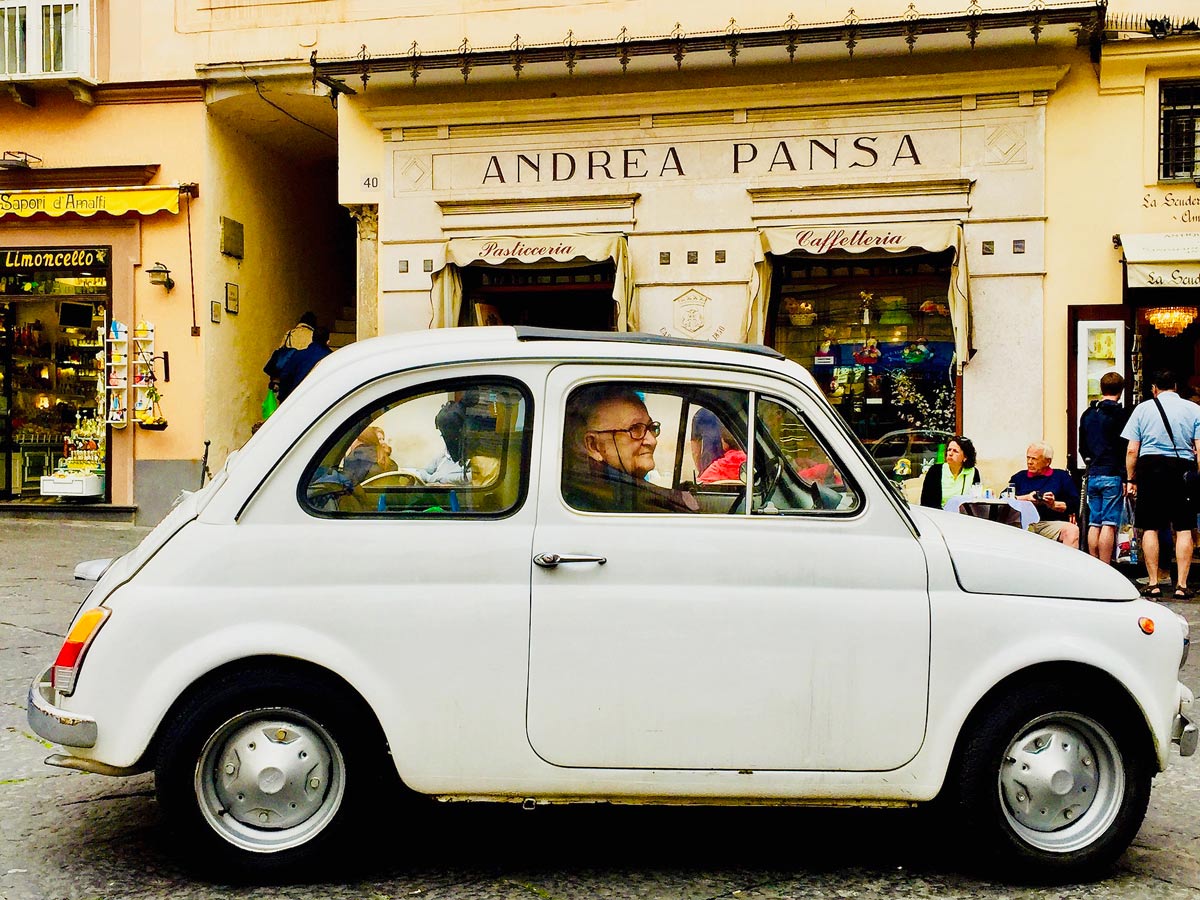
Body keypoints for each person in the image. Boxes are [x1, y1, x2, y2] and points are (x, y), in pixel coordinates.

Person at [1122, 369, 1200, 600]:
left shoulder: (1143, 409)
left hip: (1151, 469)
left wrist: (1130, 478)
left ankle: (1154, 582)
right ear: (1175, 386)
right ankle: (1182, 584)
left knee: (1150, 526)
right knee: (1184, 527)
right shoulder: (1194, 409)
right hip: (1182, 469)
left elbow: (1132, 450)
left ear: (1154, 388)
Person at [562, 385, 697, 513]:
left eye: (651, 428)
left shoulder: (624, 493)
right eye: (635, 429)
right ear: (594, 446)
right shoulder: (595, 500)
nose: (652, 441)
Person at [1078, 371, 1129, 565]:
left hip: (1093, 472)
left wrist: (1090, 461)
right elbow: (1125, 448)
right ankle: (1106, 566)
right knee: (1109, 523)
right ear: (1121, 391)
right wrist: (1126, 477)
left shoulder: (1089, 414)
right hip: (1112, 473)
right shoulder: (1121, 415)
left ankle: (1094, 564)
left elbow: (1082, 446)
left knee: (1094, 521)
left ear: (1101, 388)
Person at [1010, 441, 1080, 548]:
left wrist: (1053, 504)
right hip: (1022, 524)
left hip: (1048, 523)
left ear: (1047, 461)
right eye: (1028, 458)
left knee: (1072, 530)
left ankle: (1067, 564)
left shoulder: (1061, 477)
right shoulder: (1019, 477)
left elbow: (1074, 504)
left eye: (1034, 459)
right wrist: (1026, 498)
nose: (1029, 462)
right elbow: (1004, 497)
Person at [919, 435, 980, 508]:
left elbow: (975, 500)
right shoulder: (935, 471)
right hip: (938, 516)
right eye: (949, 450)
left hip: (963, 516)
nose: (950, 454)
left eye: (955, 451)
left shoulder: (973, 472)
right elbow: (926, 503)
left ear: (965, 457)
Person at [263, 311, 316, 392]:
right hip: (302, 371)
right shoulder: (312, 335)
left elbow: (281, 350)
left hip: (287, 371)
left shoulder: (289, 333)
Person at [276, 327, 332, 402]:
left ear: (312, 339)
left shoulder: (298, 355)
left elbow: (285, 376)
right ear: (328, 342)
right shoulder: (331, 358)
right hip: (320, 401)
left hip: (297, 399)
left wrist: (283, 399)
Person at [690, 409, 746, 483]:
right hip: (738, 468)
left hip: (709, 469)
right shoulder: (735, 409)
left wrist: (701, 470)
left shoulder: (701, 414)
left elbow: (695, 450)